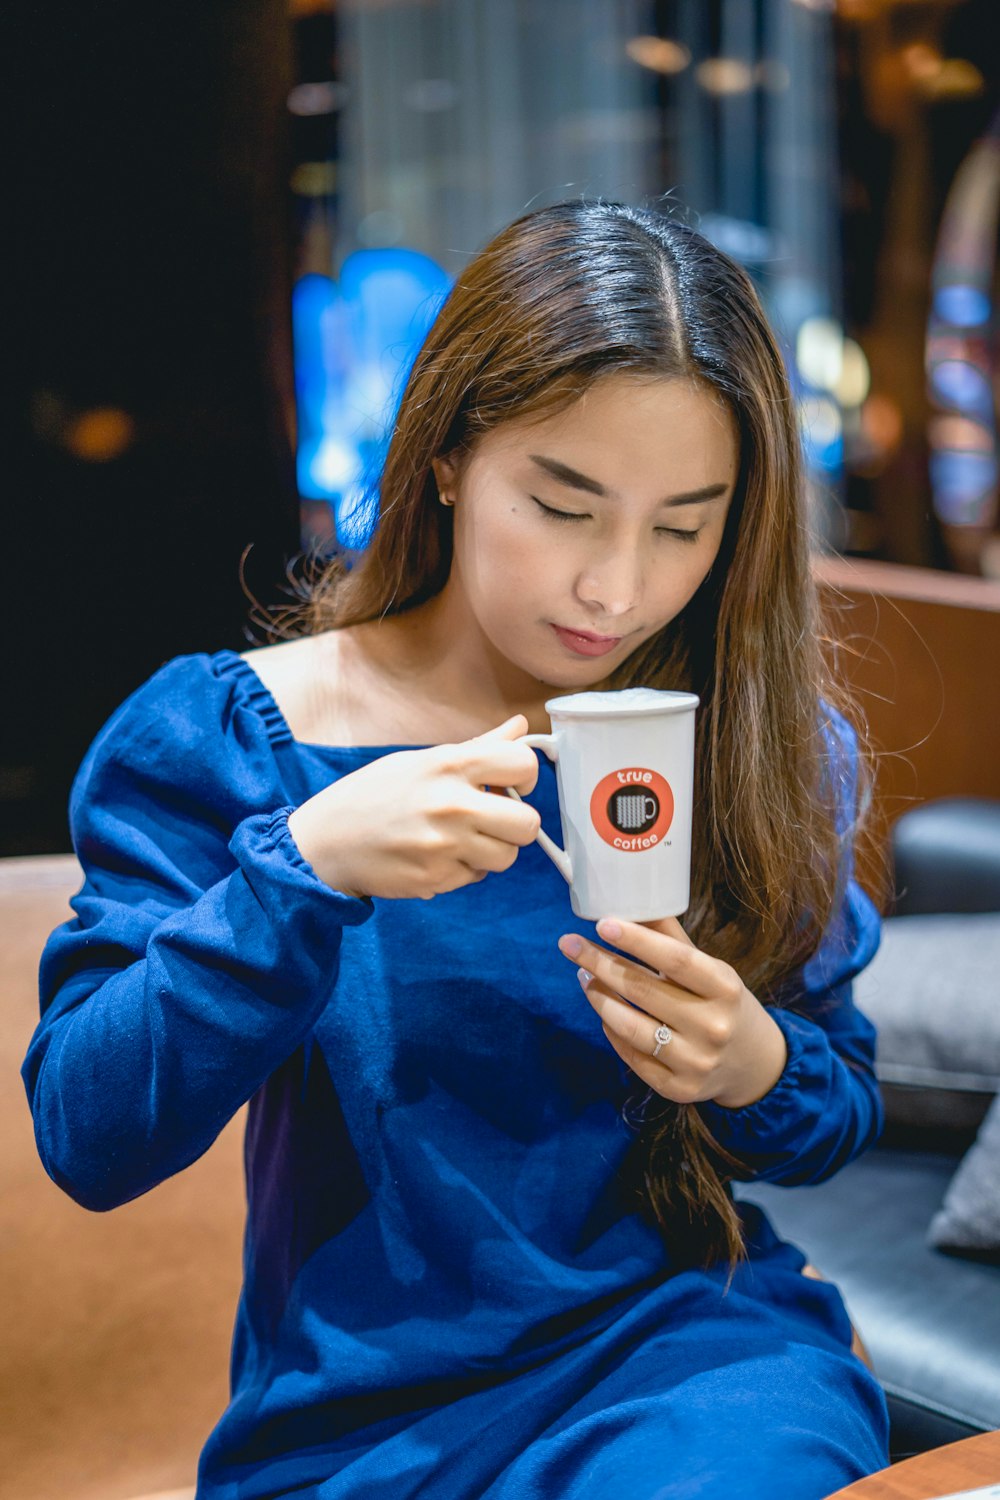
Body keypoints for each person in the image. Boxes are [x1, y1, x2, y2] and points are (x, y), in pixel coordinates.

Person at [22, 199, 891, 1499]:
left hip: (689, 1366)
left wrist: (751, 1061)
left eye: (682, 525)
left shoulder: (760, 741)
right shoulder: (235, 740)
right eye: (563, 504)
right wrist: (300, 869)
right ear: (446, 455)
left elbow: (832, 1110)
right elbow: (89, 1136)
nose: (615, 588)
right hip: (360, 1418)